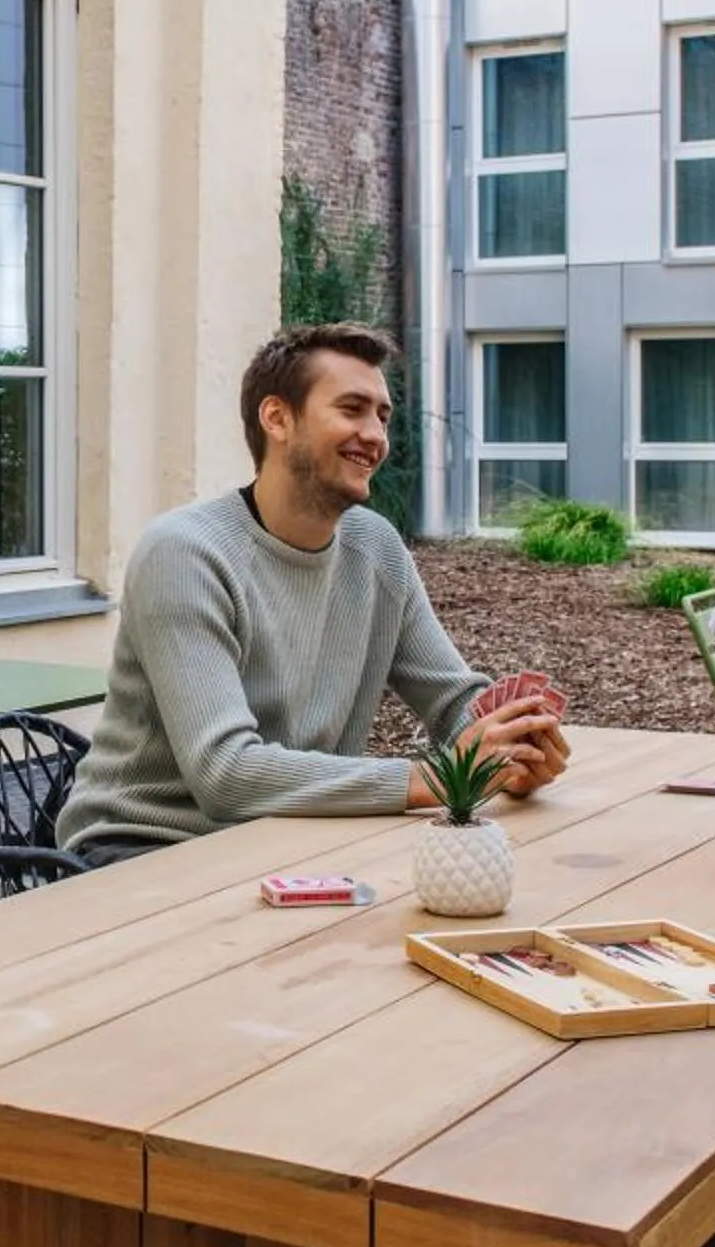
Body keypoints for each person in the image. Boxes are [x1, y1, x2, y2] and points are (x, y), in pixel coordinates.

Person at [57, 322, 570, 866]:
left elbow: (452, 701)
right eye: (352, 409)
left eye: (382, 416)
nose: (376, 435)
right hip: (144, 847)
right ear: (277, 418)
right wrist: (443, 777)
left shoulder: (375, 548)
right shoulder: (185, 553)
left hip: (289, 837)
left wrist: (512, 746)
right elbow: (226, 774)